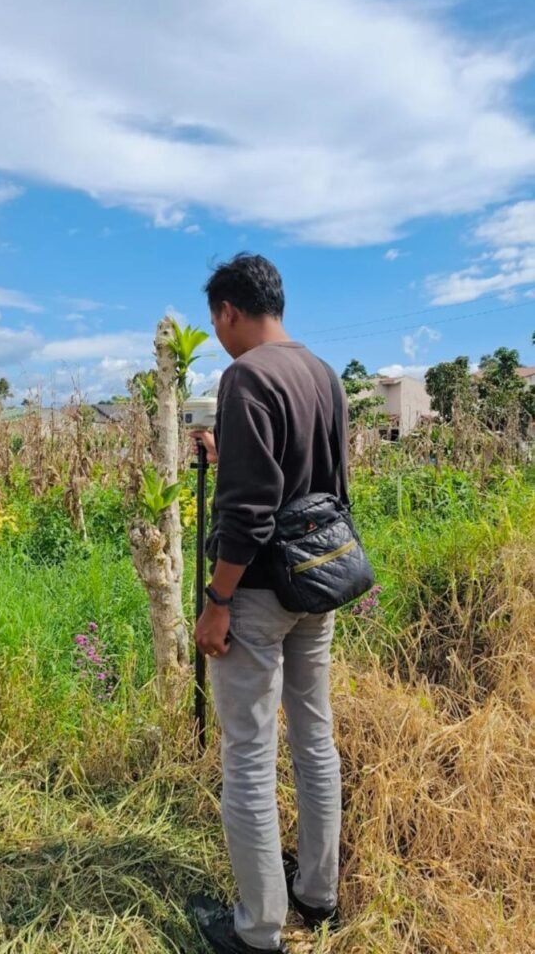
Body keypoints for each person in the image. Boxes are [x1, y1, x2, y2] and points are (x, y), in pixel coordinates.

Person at [187, 253, 345, 954]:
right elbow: (313, 475)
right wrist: (229, 453)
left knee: (249, 753)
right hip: (318, 580)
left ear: (229, 311)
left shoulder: (245, 376)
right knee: (314, 736)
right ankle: (318, 893)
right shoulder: (322, 373)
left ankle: (257, 930)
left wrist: (218, 598)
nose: (220, 335)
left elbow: (250, 510)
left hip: (256, 589)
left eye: (216, 322)